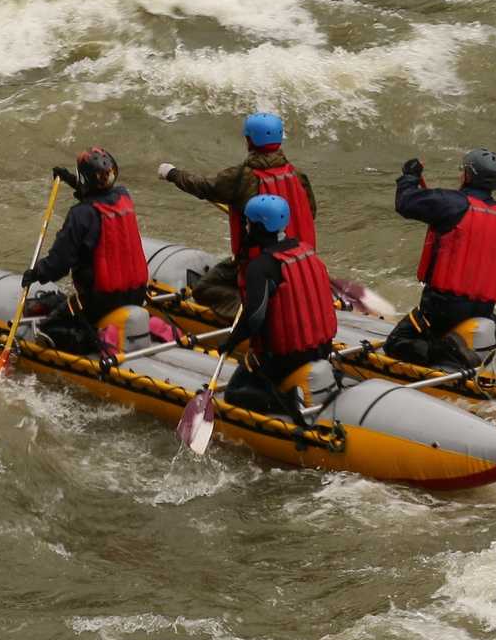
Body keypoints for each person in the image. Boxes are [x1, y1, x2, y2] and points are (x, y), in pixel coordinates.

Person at [157, 111, 317, 323]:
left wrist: (172, 174)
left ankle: (253, 310)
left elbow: (203, 187)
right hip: (299, 263)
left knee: (204, 288)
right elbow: (310, 212)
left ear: (249, 140)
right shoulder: (298, 175)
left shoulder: (241, 177)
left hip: (258, 266)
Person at [385, 148, 496, 368]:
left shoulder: (452, 203)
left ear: (468, 175)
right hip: (483, 308)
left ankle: (446, 351)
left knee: (396, 343)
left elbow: (405, 203)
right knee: (476, 317)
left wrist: (410, 176)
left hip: (443, 309)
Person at [20, 148, 149, 358]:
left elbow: (59, 264)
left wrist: (37, 274)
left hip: (100, 303)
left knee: (49, 328)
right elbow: (99, 198)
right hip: (136, 295)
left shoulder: (79, 215)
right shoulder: (124, 196)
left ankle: (89, 341)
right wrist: (71, 181)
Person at [220, 193, 336, 419]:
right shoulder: (305, 250)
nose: (245, 227)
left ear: (260, 226)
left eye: (249, 222)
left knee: (233, 393)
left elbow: (254, 318)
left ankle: (283, 402)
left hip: (285, 359)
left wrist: (230, 342)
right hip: (323, 348)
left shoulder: (261, 267)